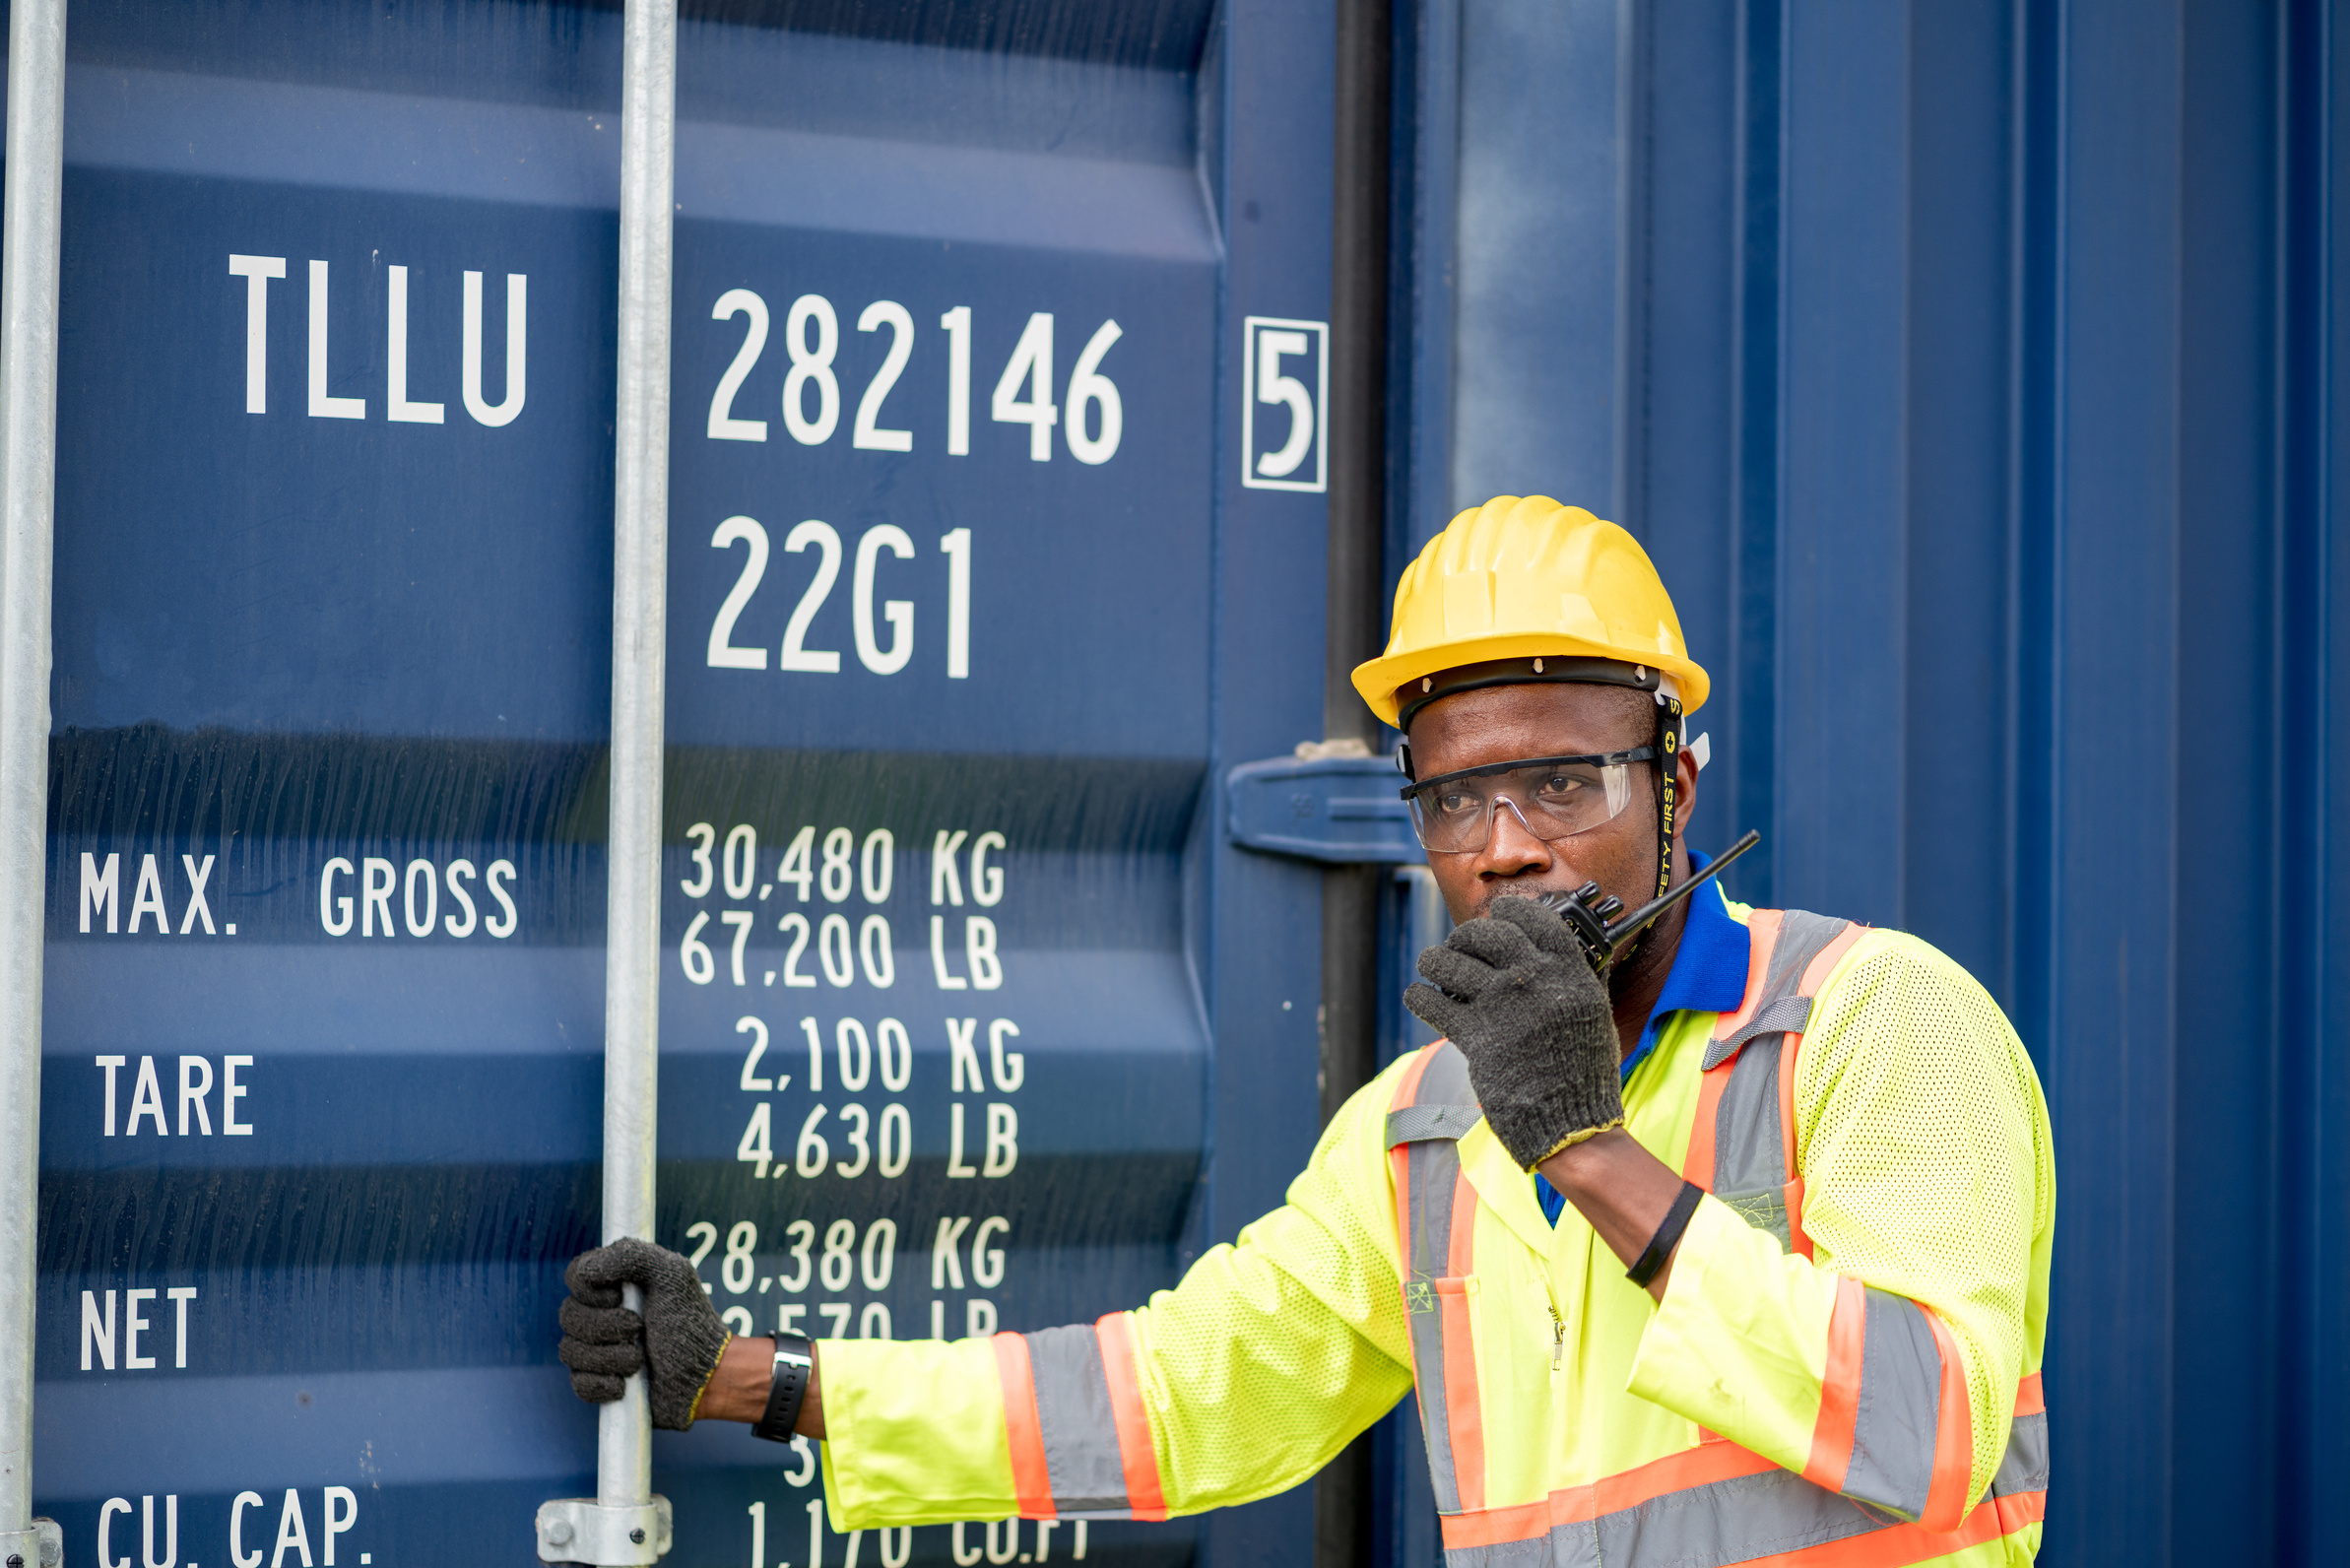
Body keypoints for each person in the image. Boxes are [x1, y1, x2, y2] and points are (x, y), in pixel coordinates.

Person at [559, 495, 2054, 1566]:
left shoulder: (1867, 1019)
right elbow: (1172, 1396)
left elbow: (1933, 1428)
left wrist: (1590, 1153)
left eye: (1565, 784)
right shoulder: (1422, 1131)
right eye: (1458, 798)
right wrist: (763, 1385)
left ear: (1672, 789)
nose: (1509, 846)